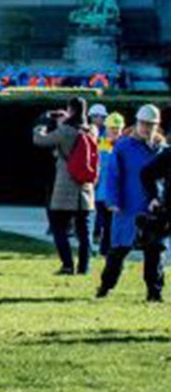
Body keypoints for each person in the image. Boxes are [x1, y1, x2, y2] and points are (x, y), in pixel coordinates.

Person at [97, 104, 165, 301]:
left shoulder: (163, 150)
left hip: (154, 209)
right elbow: (113, 175)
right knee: (118, 250)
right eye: (143, 123)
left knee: (155, 252)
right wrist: (113, 200)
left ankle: (154, 293)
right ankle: (105, 286)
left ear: (156, 125)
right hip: (128, 206)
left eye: (151, 124)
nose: (146, 128)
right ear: (137, 123)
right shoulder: (123, 147)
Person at [32, 98, 97, 275]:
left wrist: (42, 123)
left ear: (71, 110)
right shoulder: (92, 131)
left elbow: (40, 140)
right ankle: (84, 267)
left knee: (58, 227)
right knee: (84, 231)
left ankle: (68, 265)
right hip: (85, 186)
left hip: (65, 185)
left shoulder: (65, 131)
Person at [94, 109, 126, 256]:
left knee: (114, 223)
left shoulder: (126, 146)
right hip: (101, 192)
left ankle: (111, 248)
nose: (114, 131)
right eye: (111, 128)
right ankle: (106, 249)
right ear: (106, 128)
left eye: (117, 129)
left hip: (118, 192)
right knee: (105, 222)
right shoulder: (99, 143)